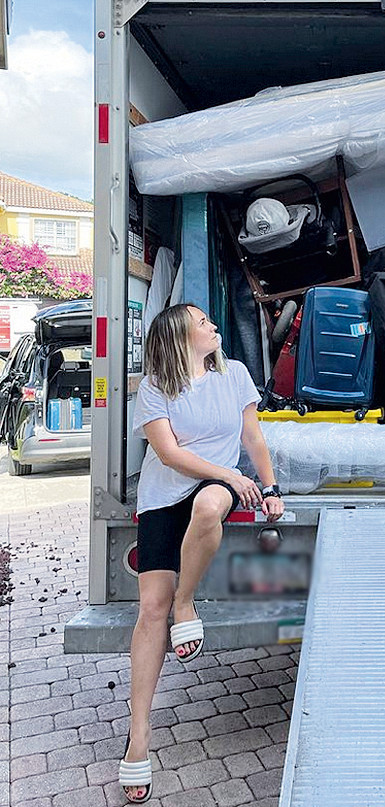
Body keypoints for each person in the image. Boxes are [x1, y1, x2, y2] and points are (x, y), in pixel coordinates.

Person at [118, 303, 284, 804]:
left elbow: (252, 435)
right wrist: (228, 472)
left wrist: (269, 486)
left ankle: (185, 602)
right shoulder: (155, 387)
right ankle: (139, 735)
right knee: (150, 610)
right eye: (203, 323)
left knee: (211, 506)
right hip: (164, 495)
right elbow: (168, 454)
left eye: (210, 321)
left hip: (213, 489)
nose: (213, 327)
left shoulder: (234, 375)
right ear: (179, 338)